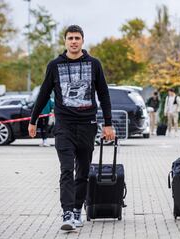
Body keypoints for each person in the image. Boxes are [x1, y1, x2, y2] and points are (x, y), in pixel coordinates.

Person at [28, 25, 115, 231]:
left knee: (82, 171)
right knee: (66, 169)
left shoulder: (94, 64)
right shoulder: (54, 65)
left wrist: (109, 124)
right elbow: (43, 94)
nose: (73, 41)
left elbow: (103, 94)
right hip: (64, 126)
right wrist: (33, 120)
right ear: (65, 41)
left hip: (88, 125)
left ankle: (77, 210)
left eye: (77, 38)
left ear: (82, 41)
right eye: (70, 38)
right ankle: (67, 213)